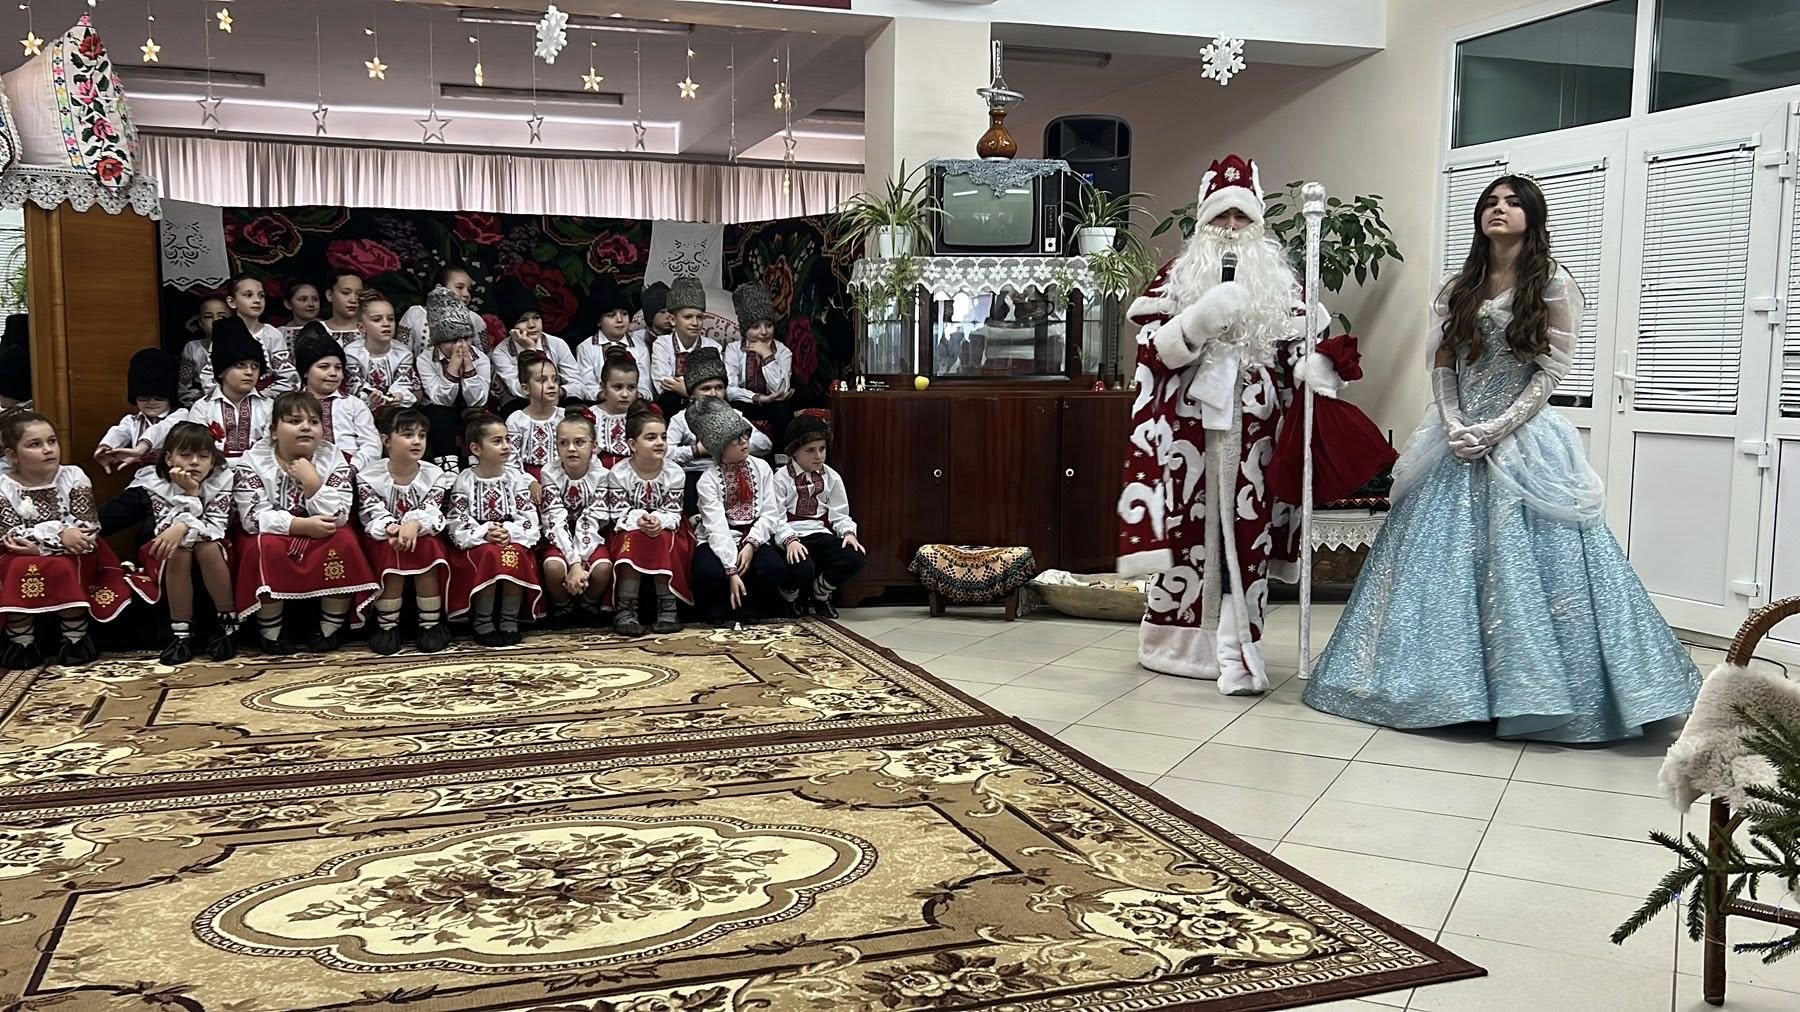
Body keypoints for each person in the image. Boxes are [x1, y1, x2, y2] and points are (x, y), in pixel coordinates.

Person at [1303, 175, 1703, 743]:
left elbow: (1550, 373)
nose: (1499, 210)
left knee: (1539, 562)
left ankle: (1542, 693)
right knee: (1435, 564)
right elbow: (1444, 361)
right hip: (1456, 437)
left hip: (1523, 437)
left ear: (1532, 217)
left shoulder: (1553, 284)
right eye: (1490, 202)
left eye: (1513, 203)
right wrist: (1452, 422)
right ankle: (1442, 689)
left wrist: (1496, 427)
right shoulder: (1460, 287)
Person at [1115, 154, 1335, 696]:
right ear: (1203, 222)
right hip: (1187, 429)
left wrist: (1311, 367)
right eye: (1221, 217)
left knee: (1248, 531)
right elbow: (1151, 351)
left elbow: (1299, 348)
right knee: (1189, 530)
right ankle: (1177, 646)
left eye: (1241, 217)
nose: (1231, 228)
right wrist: (1196, 321)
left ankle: (1238, 648)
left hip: (1256, 428)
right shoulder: (1176, 277)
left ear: (1256, 224)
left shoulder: (1281, 284)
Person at [231, 392, 380, 654]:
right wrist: (299, 526)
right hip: (274, 531)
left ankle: (330, 627)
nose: (305, 427)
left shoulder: (332, 457)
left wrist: (313, 484)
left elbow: (340, 514)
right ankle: (271, 630)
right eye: (294, 421)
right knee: (265, 547)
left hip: (322, 528)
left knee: (344, 541)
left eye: (313, 422)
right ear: (274, 431)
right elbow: (252, 517)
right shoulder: (254, 460)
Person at [0, 410, 133, 668]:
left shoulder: (73, 476)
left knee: (64, 564)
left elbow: (88, 528)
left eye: (52, 441)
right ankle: (21, 641)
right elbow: (11, 535)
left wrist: (46, 546)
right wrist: (60, 535)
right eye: (35, 444)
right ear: (12, 455)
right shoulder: (3, 486)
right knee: (18, 564)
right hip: (21, 553)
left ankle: (75, 638)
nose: (48, 449)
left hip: (77, 551)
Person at [128, 420, 238, 665]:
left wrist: (184, 519)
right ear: (169, 458)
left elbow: (216, 525)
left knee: (207, 547)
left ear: (213, 460)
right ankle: (181, 634)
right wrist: (188, 497)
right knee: (178, 549)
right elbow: (164, 530)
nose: (195, 462)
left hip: (213, 542)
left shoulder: (222, 479)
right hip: (165, 547)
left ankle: (228, 625)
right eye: (186, 455)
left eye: (203, 456)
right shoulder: (155, 483)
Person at [688, 397, 798, 626]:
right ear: (719, 446)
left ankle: (752, 608)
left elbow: (770, 513)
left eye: (745, 435)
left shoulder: (762, 467)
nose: (744, 442)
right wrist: (731, 569)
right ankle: (717, 611)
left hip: (752, 534)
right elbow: (716, 527)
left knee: (773, 567)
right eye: (734, 439)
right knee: (707, 571)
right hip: (720, 537)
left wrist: (751, 544)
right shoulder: (708, 480)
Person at [356, 407, 454, 655]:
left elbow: (432, 511)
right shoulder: (368, 476)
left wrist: (414, 524)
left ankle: (430, 623)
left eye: (422, 435)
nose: (417, 441)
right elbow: (371, 512)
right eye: (408, 435)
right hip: (384, 537)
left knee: (427, 544)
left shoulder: (434, 474)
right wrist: (392, 527)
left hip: (421, 534)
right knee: (391, 547)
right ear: (387, 440)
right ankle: (387, 626)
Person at [445, 412, 544, 645]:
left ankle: (509, 619)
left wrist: (510, 532)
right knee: (490, 554)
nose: (506, 446)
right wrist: (484, 533)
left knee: (513, 553)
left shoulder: (516, 478)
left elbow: (528, 517)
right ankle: (483, 621)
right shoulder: (465, 480)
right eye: (497, 441)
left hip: (511, 538)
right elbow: (457, 520)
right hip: (478, 543)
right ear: (476, 449)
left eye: (507, 439)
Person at [124, 318, 275, 467]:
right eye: (240, 365)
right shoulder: (202, 407)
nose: (249, 372)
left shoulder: (270, 406)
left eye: (255, 366)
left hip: (259, 476)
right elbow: (196, 450)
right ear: (221, 371)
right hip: (212, 476)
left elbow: (269, 450)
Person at [773, 414, 865, 618]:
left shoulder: (831, 477)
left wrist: (849, 533)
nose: (818, 456)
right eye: (810, 450)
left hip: (820, 533)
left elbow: (840, 513)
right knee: (802, 566)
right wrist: (790, 540)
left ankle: (820, 593)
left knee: (854, 557)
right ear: (794, 451)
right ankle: (790, 597)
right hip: (793, 535)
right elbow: (776, 517)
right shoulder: (781, 478)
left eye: (822, 449)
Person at [92, 348, 180, 537]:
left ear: (170, 395)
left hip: (171, 489)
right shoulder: (132, 421)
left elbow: (162, 429)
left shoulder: (181, 415)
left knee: (149, 535)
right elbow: (119, 431)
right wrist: (104, 448)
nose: (151, 402)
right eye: (143, 396)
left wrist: (141, 448)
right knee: (97, 523)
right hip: (141, 484)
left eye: (159, 396)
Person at [538, 410, 613, 625]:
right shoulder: (550, 472)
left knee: (603, 567)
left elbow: (591, 520)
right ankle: (564, 607)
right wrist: (574, 563)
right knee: (553, 566)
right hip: (559, 534)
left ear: (594, 446)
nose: (571, 448)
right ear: (556, 447)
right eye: (564, 443)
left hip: (591, 534)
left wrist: (578, 564)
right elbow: (554, 519)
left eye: (579, 442)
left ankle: (588, 606)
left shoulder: (602, 476)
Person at [415, 286, 493, 469]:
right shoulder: (425, 359)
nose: (461, 345)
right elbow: (441, 399)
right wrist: (453, 368)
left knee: (478, 416)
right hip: (440, 409)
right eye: (453, 340)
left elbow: (478, 400)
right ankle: (448, 467)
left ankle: (478, 465)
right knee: (439, 415)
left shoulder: (480, 358)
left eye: (466, 339)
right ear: (439, 341)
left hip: (470, 407)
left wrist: (468, 366)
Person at [294, 325, 380, 470]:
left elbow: (372, 445)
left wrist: (352, 468)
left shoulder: (354, 405)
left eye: (338, 367)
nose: (333, 373)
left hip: (349, 470)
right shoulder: (289, 404)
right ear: (305, 371)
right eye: (324, 367)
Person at [490, 276, 578, 408]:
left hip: (557, 398)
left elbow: (578, 385)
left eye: (536, 318)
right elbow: (518, 390)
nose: (532, 325)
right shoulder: (501, 352)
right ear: (511, 327)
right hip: (524, 405)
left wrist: (558, 391)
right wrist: (530, 350)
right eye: (523, 320)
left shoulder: (557, 344)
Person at [725, 281, 796, 443]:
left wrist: (767, 355)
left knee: (783, 410)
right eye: (756, 327)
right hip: (746, 402)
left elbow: (780, 390)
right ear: (745, 330)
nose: (764, 332)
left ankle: (782, 454)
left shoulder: (783, 352)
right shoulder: (733, 350)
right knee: (733, 409)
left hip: (774, 405)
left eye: (769, 325)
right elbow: (730, 390)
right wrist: (758, 398)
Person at [651, 277, 722, 418]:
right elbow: (663, 382)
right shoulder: (662, 344)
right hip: (672, 404)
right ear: (673, 320)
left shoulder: (713, 347)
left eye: (699, 317)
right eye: (688, 317)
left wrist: (687, 390)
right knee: (669, 399)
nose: (695, 323)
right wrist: (696, 389)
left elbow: (717, 386)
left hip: (706, 407)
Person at [573, 276, 645, 404]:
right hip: (599, 404)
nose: (620, 320)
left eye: (624, 314)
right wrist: (605, 395)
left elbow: (645, 386)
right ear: (598, 321)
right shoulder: (586, 347)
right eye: (611, 315)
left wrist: (632, 395)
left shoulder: (640, 347)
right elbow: (586, 385)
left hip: (634, 405)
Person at [344, 292, 418, 414]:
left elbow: (403, 384)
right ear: (361, 327)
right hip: (358, 412)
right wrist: (370, 396)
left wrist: (398, 396)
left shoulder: (403, 353)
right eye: (377, 319)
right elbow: (355, 388)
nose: (386, 324)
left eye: (391, 319)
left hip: (394, 412)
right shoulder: (351, 353)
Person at [226, 274, 297, 394]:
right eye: (248, 295)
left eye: (261, 296)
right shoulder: (224, 333)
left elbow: (289, 378)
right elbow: (211, 377)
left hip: (267, 399)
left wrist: (261, 397)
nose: (257, 300)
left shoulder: (272, 334)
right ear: (232, 302)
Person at [398, 265, 484, 355]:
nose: (466, 294)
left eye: (469, 290)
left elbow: (484, 356)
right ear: (439, 288)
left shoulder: (474, 319)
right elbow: (401, 353)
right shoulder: (415, 314)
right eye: (459, 287)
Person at [504, 351, 563, 480]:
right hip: (527, 481)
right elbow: (511, 463)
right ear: (526, 388)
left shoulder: (564, 417)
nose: (551, 385)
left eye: (555, 379)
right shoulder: (516, 420)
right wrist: (530, 483)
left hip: (561, 478)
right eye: (542, 380)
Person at [177, 296, 233, 406]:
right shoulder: (192, 348)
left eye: (222, 316)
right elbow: (184, 386)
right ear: (200, 322)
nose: (215, 321)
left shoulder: (239, 348)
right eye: (208, 317)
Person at [591, 351, 642, 470]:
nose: (625, 394)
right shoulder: (591, 416)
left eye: (631, 387)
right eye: (618, 387)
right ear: (603, 387)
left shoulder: (642, 416)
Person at [320, 271, 364, 343]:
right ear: (329, 295)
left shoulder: (373, 330)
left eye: (359, 294)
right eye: (345, 293)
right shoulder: (314, 331)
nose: (353, 300)